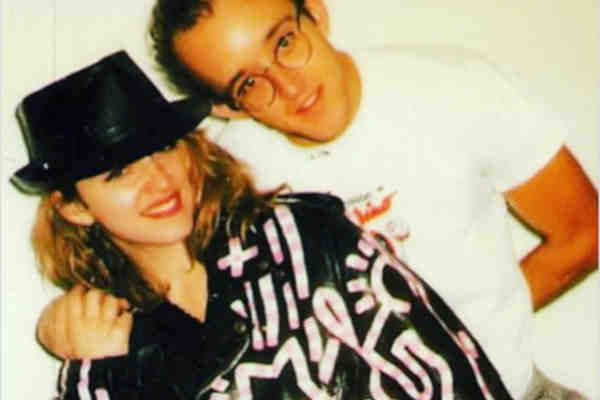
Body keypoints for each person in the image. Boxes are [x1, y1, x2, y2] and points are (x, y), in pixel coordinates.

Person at [144, 0, 597, 399]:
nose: (291, 86)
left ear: (315, 13)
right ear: (226, 107)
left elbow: (586, 231)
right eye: (248, 84)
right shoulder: (229, 182)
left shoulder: (456, 88)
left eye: (284, 42)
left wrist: (473, 324)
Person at [16, 51, 521, 399]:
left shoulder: (305, 239)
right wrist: (105, 372)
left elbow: (455, 380)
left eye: (165, 148)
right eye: (120, 172)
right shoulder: (102, 337)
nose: (161, 180)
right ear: (74, 207)